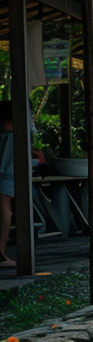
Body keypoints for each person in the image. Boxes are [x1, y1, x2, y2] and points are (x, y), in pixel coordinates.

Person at [0, 104, 15, 267]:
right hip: (6, 174)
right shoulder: (10, 137)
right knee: (5, 211)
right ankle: (1, 253)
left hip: (6, 173)